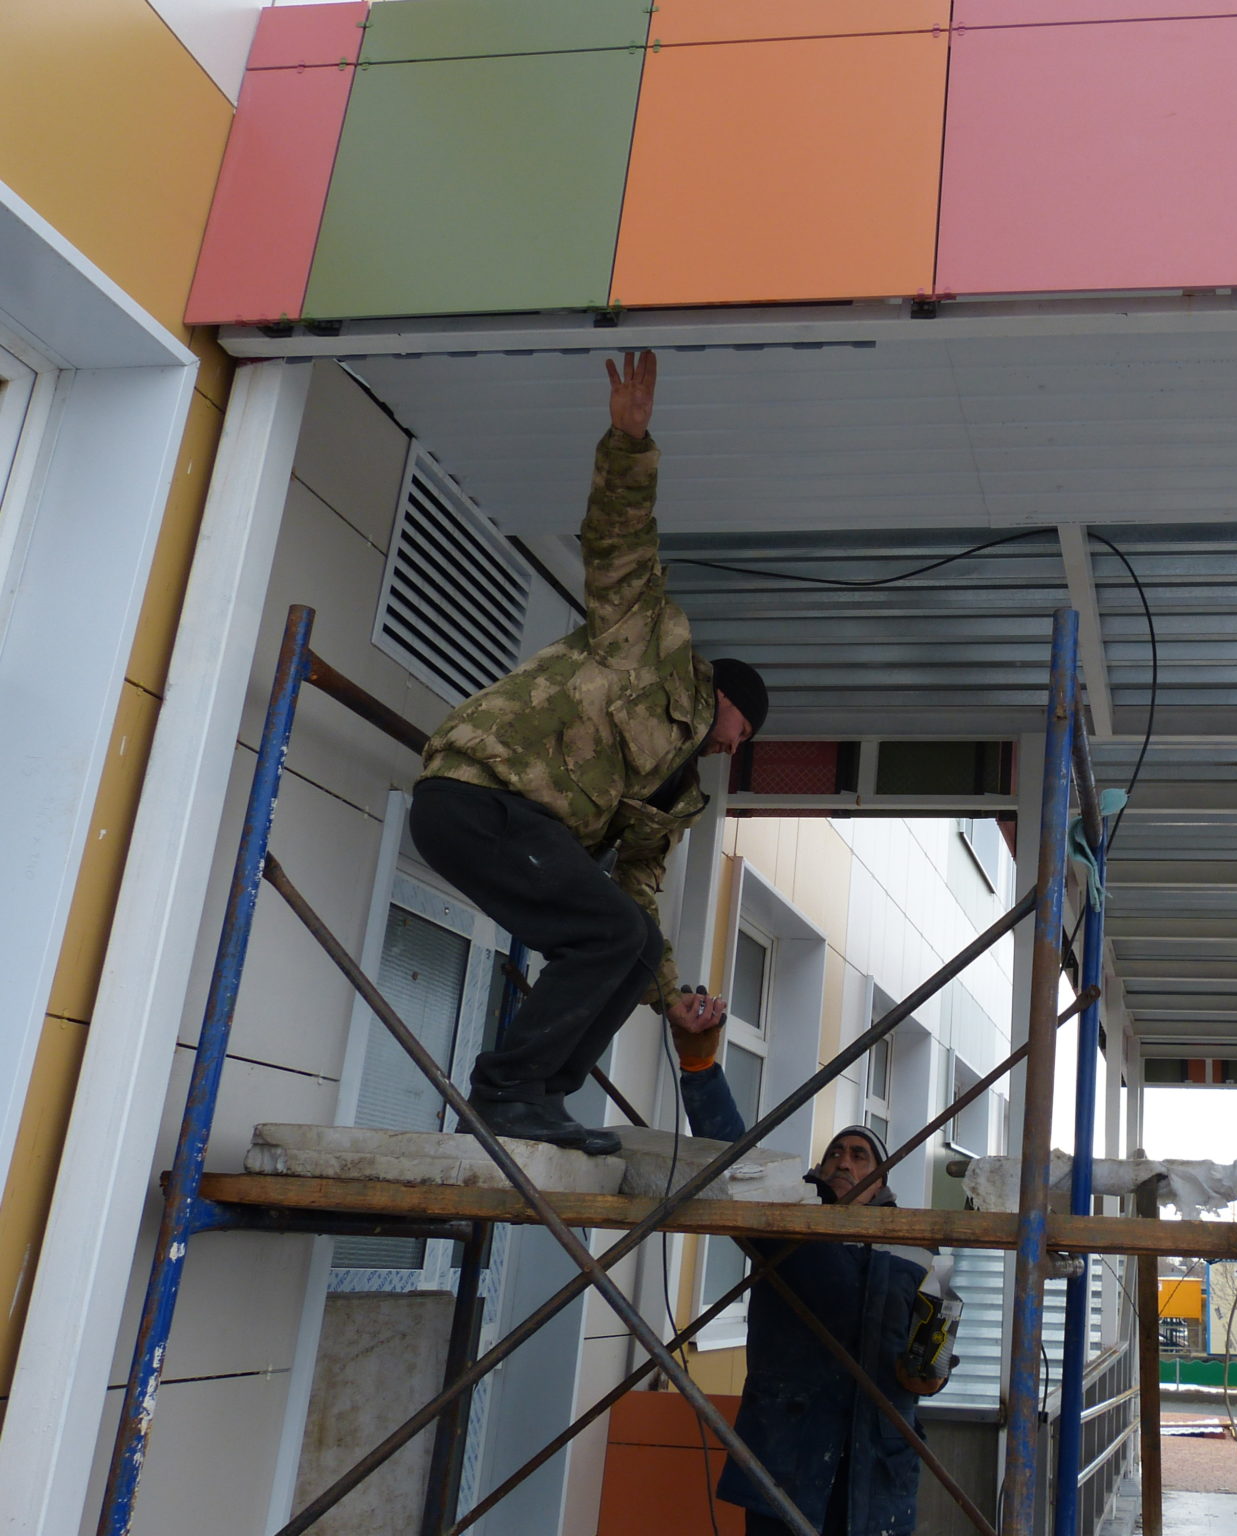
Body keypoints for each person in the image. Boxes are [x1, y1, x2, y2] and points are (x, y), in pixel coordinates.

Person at [409, 351, 768, 1155]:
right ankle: (505, 1092)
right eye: (742, 733)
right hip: (479, 793)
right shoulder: (652, 646)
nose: (731, 749)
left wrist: (668, 996)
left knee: (627, 941)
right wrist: (628, 443)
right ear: (728, 700)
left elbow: (638, 890)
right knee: (606, 934)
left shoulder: (676, 792)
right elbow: (620, 545)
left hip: (524, 832)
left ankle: (539, 1097)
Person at [670, 1005, 935, 1536]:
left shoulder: (917, 1253)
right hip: (791, 1455)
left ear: (881, 1184)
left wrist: (930, 1374)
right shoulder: (792, 1225)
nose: (843, 1162)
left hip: (875, 1469)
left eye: (859, 1156)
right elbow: (735, 1160)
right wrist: (700, 1067)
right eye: (835, 1153)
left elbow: (937, 1344)